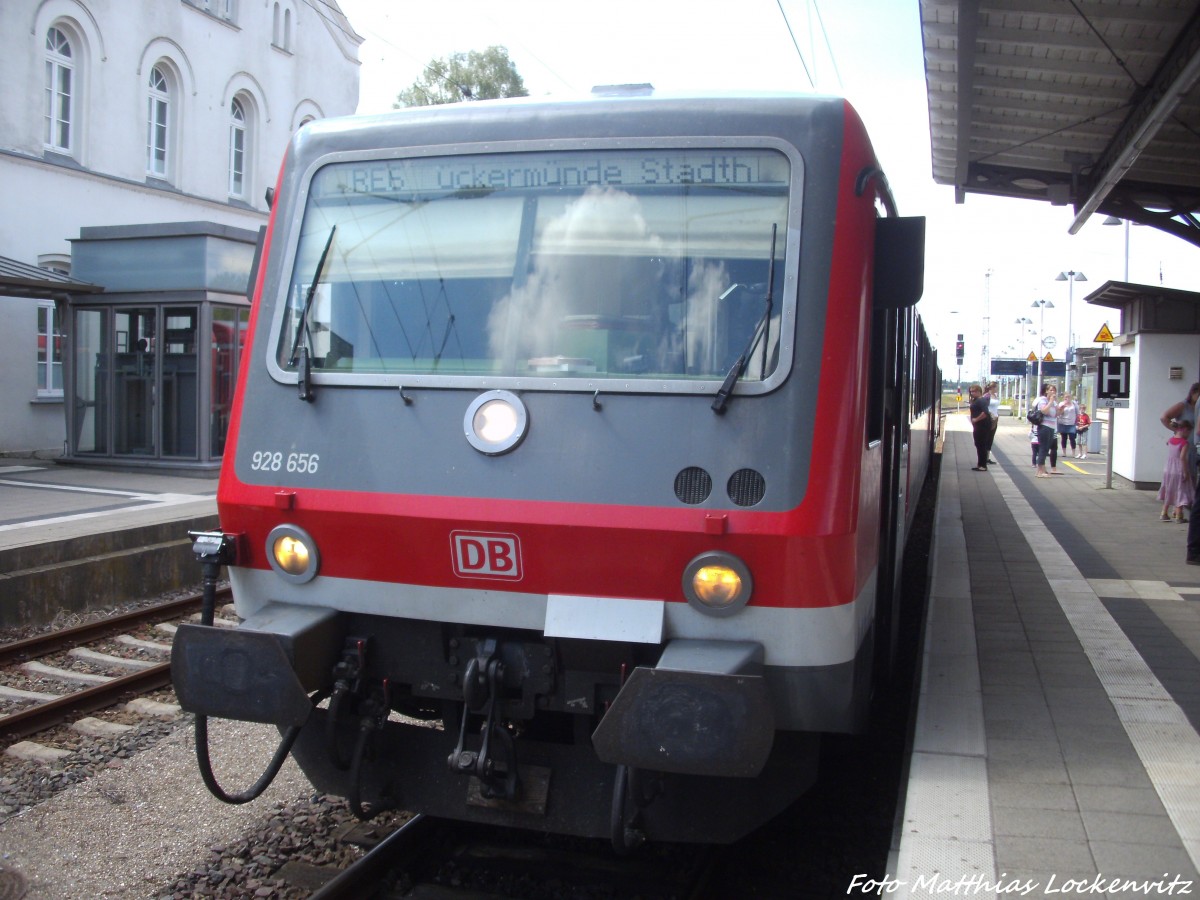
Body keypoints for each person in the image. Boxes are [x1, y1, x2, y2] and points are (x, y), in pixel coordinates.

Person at [1163, 383, 1200, 563]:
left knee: (1189, 482)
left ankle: (1179, 509)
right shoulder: (1183, 406)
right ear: (1193, 393)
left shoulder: (1197, 406)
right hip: (1186, 451)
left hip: (1193, 450)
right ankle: (1181, 511)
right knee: (1185, 481)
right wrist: (1177, 433)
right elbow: (1164, 417)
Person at [1158, 420, 1193, 523]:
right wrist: (1186, 472)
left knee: (1169, 489)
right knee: (1180, 490)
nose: (1189, 434)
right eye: (1189, 432)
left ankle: (1164, 513)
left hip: (1168, 469)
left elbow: (1167, 444)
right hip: (1178, 470)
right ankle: (1179, 515)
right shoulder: (1185, 443)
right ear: (1185, 430)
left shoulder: (1170, 440)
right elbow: (1182, 458)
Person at [1034, 383, 1059, 478]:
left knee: (1046, 448)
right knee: (1043, 448)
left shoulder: (1054, 402)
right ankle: (1040, 470)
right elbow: (1044, 411)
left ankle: (1040, 470)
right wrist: (1050, 402)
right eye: (1051, 390)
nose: (1053, 392)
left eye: (1054, 390)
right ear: (1046, 391)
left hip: (1052, 426)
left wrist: (1060, 407)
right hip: (1044, 426)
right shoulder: (1043, 400)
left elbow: (1057, 414)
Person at [968, 384, 990, 471]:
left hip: (982, 426)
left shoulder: (981, 400)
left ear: (979, 391)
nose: (972, 393)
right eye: (971, 391)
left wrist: (976, 419)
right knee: (978, 444)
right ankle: (980, 464)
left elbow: (985, 412)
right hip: (978, 426)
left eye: (974, 391)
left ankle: (983, 465)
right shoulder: (977, 400)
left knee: (981, 445)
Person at [1057, 392, 1079, 457]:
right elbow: (1059, 413)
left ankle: (1073, 453)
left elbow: (1077, 413)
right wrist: (1062, 408)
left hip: (1072, 423)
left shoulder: (1074, 404)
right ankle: (1064, 452)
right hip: (1063, 423)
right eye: (1066, 397)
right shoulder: (1061, 404)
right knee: (1064, 438)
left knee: (1072, 438)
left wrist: (1077, 422)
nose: (1067, 399)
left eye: (1068, 397)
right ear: (1063, 398)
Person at [984, 381, 1000, 464]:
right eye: (996, 387)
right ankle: (984, 457)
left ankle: (987, 457)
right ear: (992, 388)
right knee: (987, 438)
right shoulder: (987, 396)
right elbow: (984, 408)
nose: (997, 388)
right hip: (989, 419)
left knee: (990, 438)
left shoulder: (995, 396)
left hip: (995, 419)